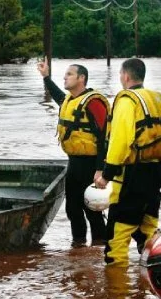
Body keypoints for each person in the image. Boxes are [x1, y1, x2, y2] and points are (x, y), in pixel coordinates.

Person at [94, 58, 161, 267]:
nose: (120, 78)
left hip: (131, 177)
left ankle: (118, 295)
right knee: (148, 230)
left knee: (116, 241)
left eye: (120, 74)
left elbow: (120, 142)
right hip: (156, 173)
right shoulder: (158, 99)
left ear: (126, 76)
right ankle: (150, 288)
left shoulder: (127, 101)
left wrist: (106, 175)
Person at [37, 57, 108, 246]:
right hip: (74, 163)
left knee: (92, 209)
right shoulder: (70, 100)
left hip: (91, 163)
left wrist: (100, 170)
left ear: (81, 78)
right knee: (72, 209)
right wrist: (46, 77)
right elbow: (59, 98)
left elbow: (104, 138)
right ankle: (78, 246)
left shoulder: (94, 103)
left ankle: (99, 246)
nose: (65, 77)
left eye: (69, 74)